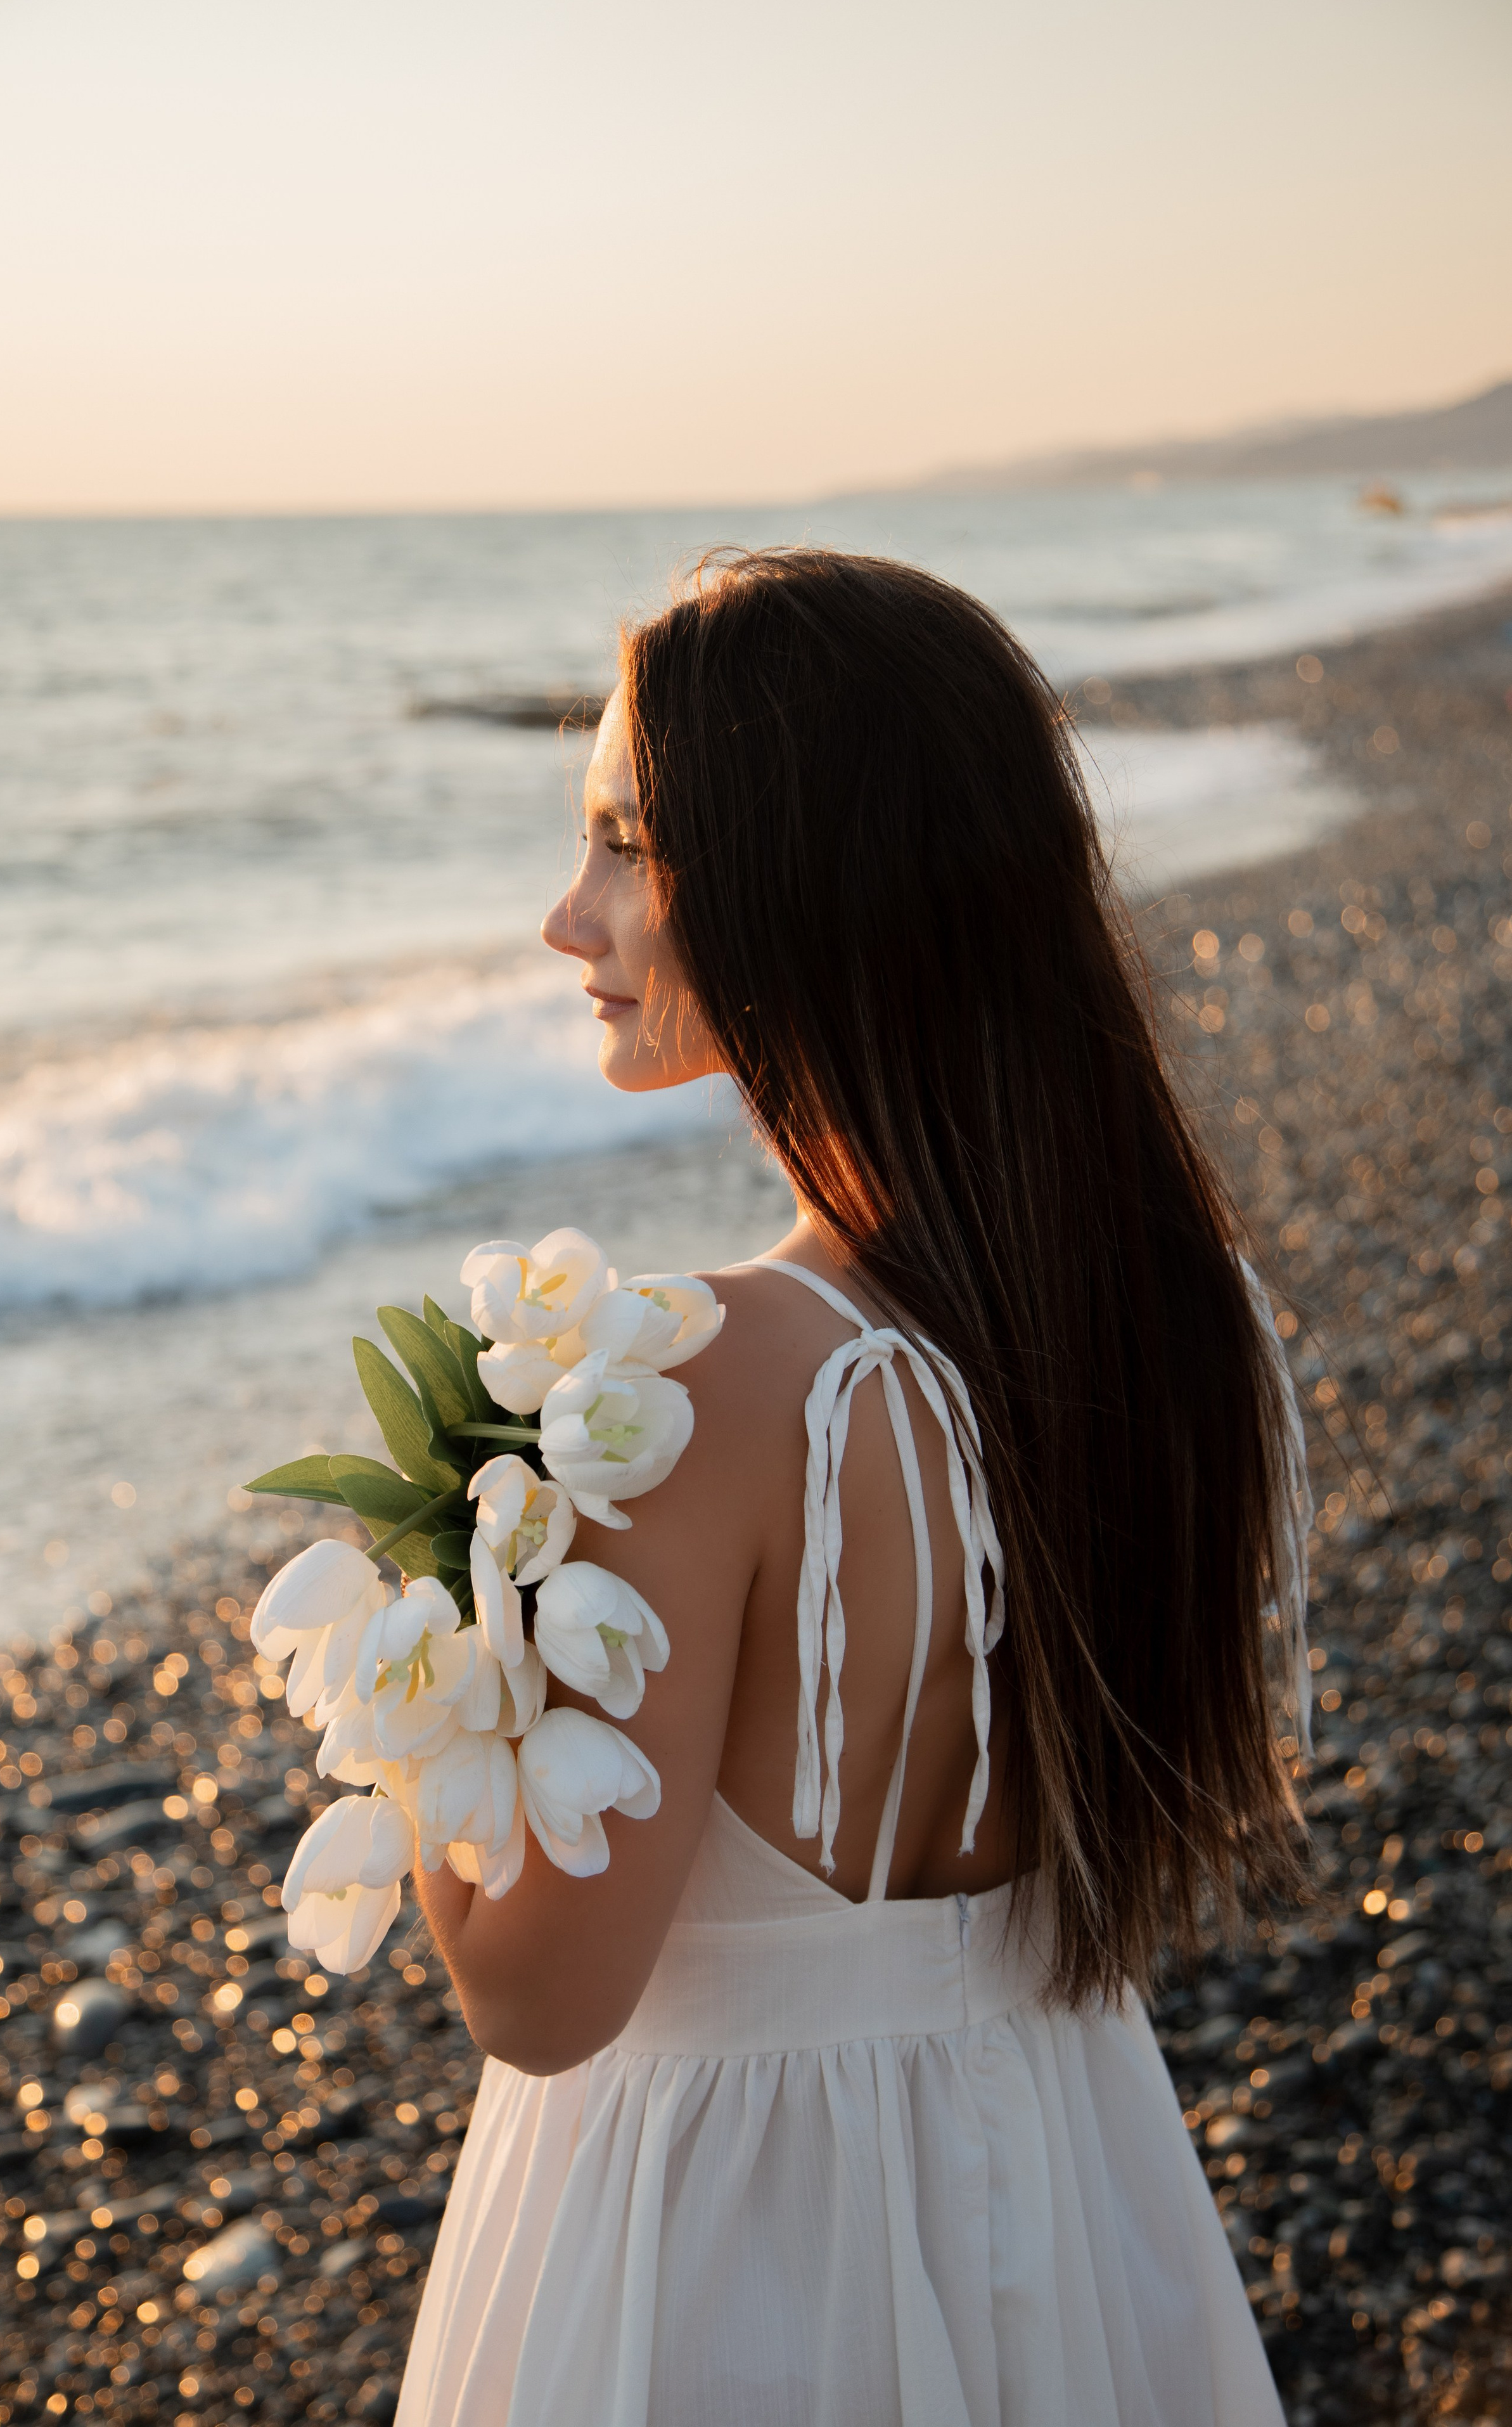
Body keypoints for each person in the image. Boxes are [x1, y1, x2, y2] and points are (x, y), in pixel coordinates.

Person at [396, 549, 1309, 2426]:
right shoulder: (1185, 1317)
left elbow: (539, 2000)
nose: (570, 918)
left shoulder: (713, 1381)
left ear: (809, 882)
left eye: (628, 845)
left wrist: (430, 1661)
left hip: (738, 2240)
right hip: (1069, 2168)